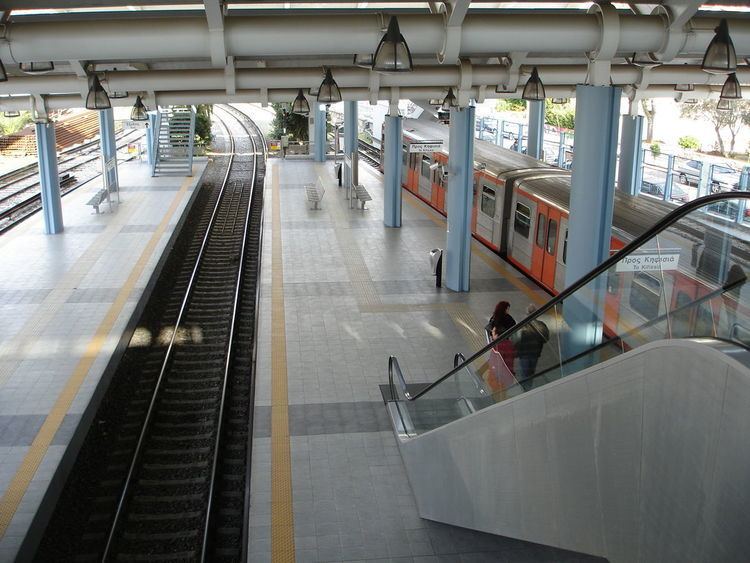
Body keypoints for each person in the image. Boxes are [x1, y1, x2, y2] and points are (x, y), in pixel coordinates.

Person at [515, 304, 550, 391]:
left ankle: (524, 390)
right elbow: (546, 339)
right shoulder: (541, 325)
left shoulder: (522, 325)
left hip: (523, 354)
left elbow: (515, 340)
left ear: (527, 314)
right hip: (535, 354)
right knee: (531, 372)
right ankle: (529, 388)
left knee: (524, 373)